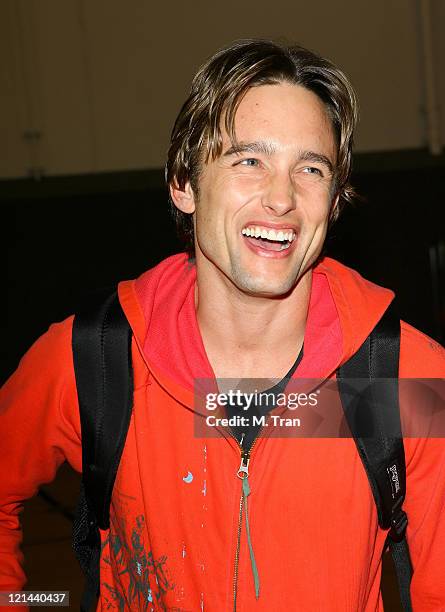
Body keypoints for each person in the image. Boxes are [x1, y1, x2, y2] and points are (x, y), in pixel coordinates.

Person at [1, 39, 444, 611]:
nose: (281, 198)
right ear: (184, 185)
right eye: (248, 161)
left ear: (333, 202)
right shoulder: (96, 360)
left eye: (311, 168)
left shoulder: (402, 379)